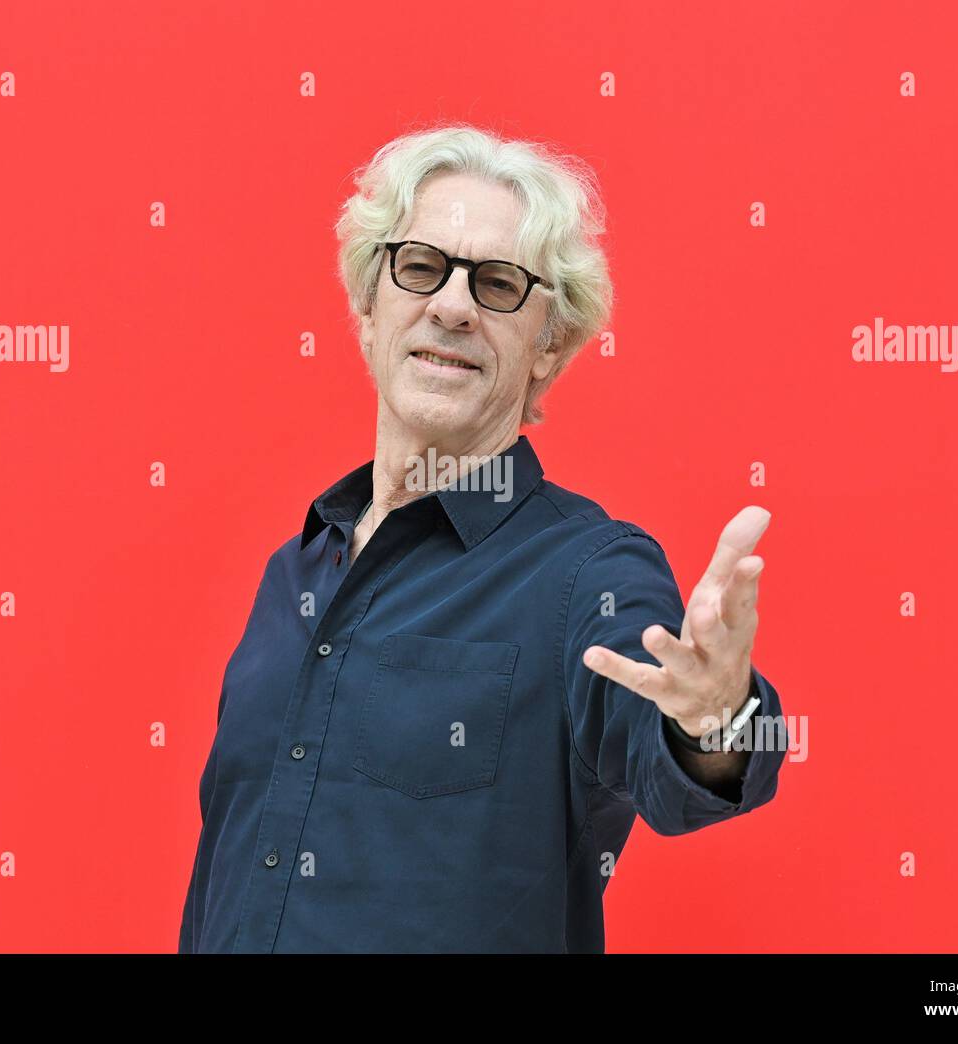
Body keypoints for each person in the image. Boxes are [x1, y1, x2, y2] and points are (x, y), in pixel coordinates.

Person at [178, 124, 787, 953]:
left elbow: (676, 764)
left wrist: (717, 721)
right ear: (369, 307)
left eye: (499, 284)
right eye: (421, 267)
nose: (453, 306)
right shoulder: (294, 571)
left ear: (549, 346)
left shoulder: (590, 571)